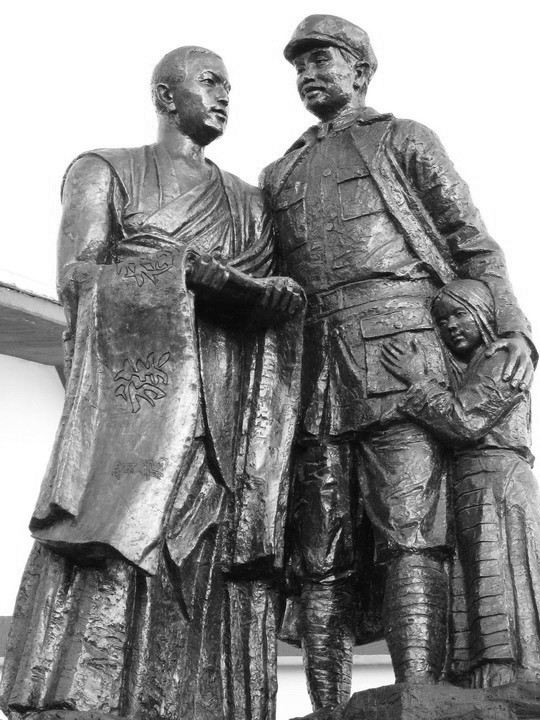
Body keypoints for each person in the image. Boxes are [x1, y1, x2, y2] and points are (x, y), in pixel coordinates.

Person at [0, 46, 304, 720]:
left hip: (222, 403)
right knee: (113, 545)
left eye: (229, 87)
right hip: (137, 402)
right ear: (167, 96)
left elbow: (272, 296)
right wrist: (179, 273)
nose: (224, 97)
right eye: (209, 83)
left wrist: (260, 293)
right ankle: (85, 700)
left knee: (203, 558)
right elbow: (78, 279)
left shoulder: (249, 203)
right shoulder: (106, 169)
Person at [260, 14, 535, 710]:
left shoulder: (403, 139)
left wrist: (514, 333)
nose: (308, 74)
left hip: (402, 355)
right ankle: (328, 705)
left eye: (322, 59)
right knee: (319, 553)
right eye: (299, 65)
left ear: (360, 69)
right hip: (315, 370)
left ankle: (420, 693)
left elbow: (473, 243)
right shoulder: (278, 172)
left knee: (413, 531)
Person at [381, 279, 540, 690]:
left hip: (497, 481)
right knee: (471, 580)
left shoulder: (502, 358)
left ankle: (506, 676)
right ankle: (479, 680)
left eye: (460, 314)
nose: (451, 326)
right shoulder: (469, 366)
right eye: (442, 320)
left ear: (483, 314)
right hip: (473, 481)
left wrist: (418, 381)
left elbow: (464, 422)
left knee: (498, 574)